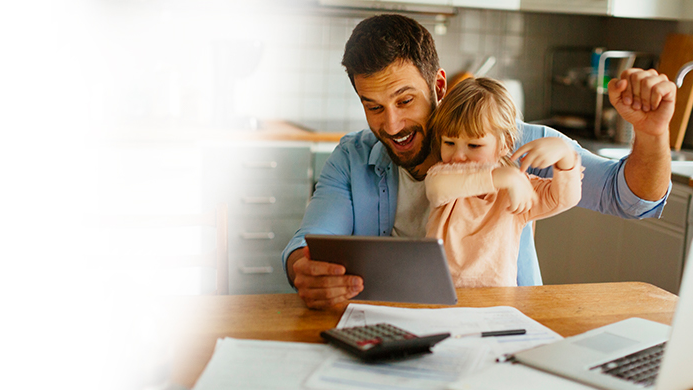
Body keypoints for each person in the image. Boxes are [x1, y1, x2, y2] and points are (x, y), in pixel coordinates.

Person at [282, 14, 675, 309]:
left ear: (438, 85)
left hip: (504, 326)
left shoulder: (517, 145)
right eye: (373, 106)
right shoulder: (351, 158)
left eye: (405, 101)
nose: (392, 124)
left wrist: (653, 134)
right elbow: (308, 244)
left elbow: (631, 198)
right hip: (391, 327)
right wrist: (305, 269)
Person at [423, 77, 582, 288]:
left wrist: (565, 155)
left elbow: (564, 199)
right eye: (449, 142)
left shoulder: (518, 187)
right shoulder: (443, 175)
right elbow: (436, 187)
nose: (458, 156)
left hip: (496, 307)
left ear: (505, 144)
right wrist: (503, 177)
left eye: (474, 145)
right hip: (440, 299)